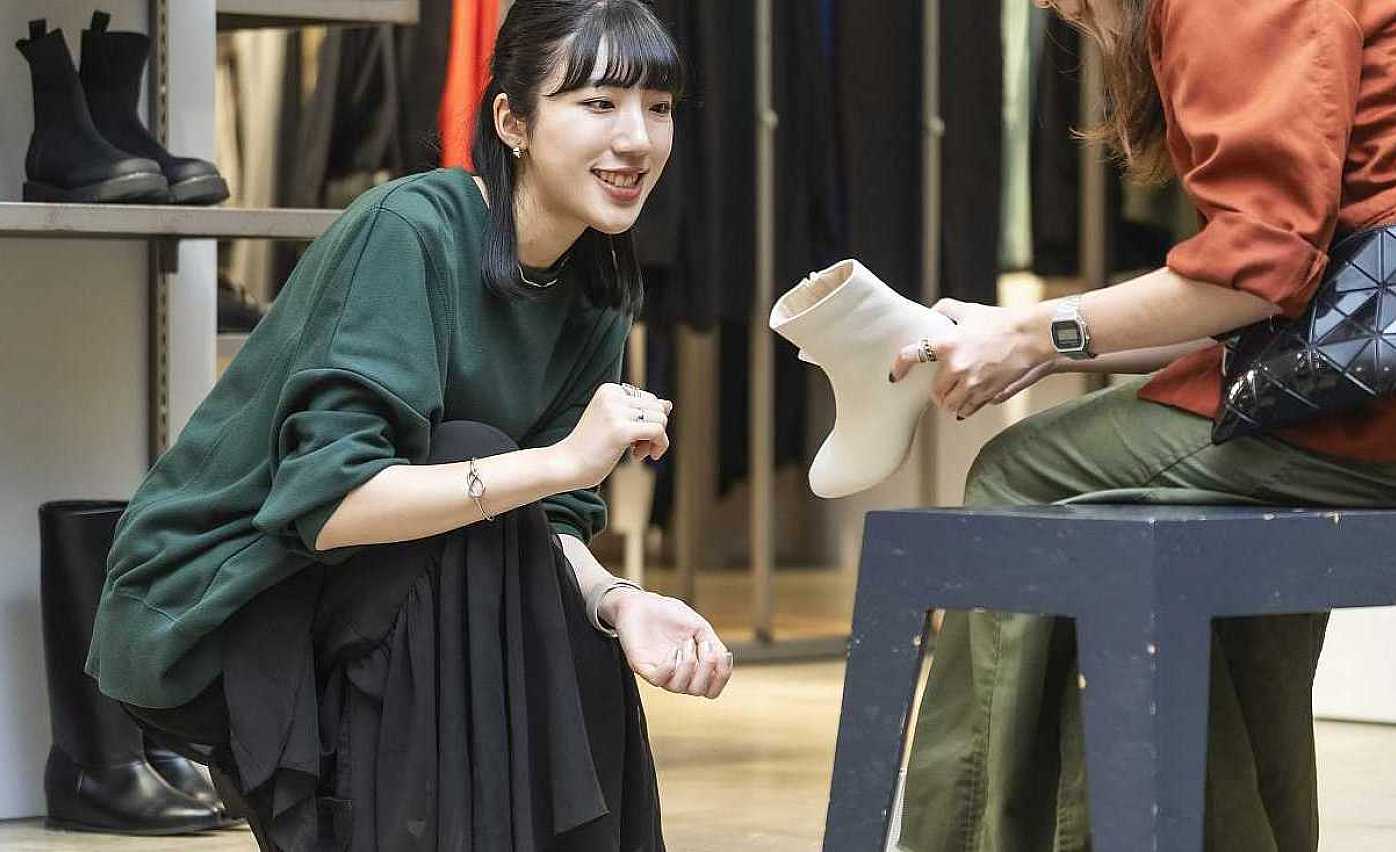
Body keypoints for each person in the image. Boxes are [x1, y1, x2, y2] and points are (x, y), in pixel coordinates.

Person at [83, 2, 732, 849]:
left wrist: (620, 602)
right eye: (599, 103)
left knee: (571, 628)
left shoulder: (596, 284)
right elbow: (331, 505)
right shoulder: (410, 231)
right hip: (236, 593)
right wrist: (563, 463)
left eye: (659, 106)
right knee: (472, 459)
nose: (638, 139)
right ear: (512, 122)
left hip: (399, 584)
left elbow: (547, 526)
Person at [889, 0, 1396, 849]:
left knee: (1024, 473)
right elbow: (1293, 291)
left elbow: (1261, 269)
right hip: (1352, 380)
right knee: (1185, 529)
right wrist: (1043, 341)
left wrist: (1035, 332)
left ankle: (965, 838)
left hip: (1366, 410)